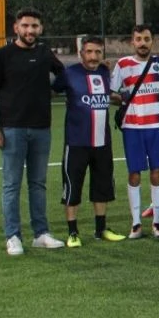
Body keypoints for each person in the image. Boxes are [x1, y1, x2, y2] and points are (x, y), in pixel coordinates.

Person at [0, 8, 66, 255]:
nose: (30, 30)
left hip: (42, 128)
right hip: (12, 129)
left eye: (35, 26)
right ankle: (13, 236)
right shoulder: (3, 55)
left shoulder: (44, 53)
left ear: (41, 29)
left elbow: (63, 76)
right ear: (16, 28)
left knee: (38, 184)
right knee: (11, 185)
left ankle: (40, 234)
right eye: (26, 26)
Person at [54, 36, 125, 247]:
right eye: (89, 52)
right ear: (81, 53)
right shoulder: (70, 74)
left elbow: (109, 97)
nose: (94, 56)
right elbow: (53, 89)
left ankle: (101, 229)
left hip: (102, 142)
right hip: (76, 142)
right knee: (73, 187)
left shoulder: (105, 73)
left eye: (98, 52)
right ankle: (73, 232)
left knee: (102, 186)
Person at [110, 24, 159, 238]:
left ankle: (157, 222)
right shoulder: (123, 64)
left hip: (157, 126)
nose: (143, 43)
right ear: (132, 42)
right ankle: (135, 223)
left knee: (157, 172)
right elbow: (112, 93)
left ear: (152, 41)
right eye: (139, 39)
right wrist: (124, 98)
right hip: (133, 127)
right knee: (134, 173)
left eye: (146, 39)